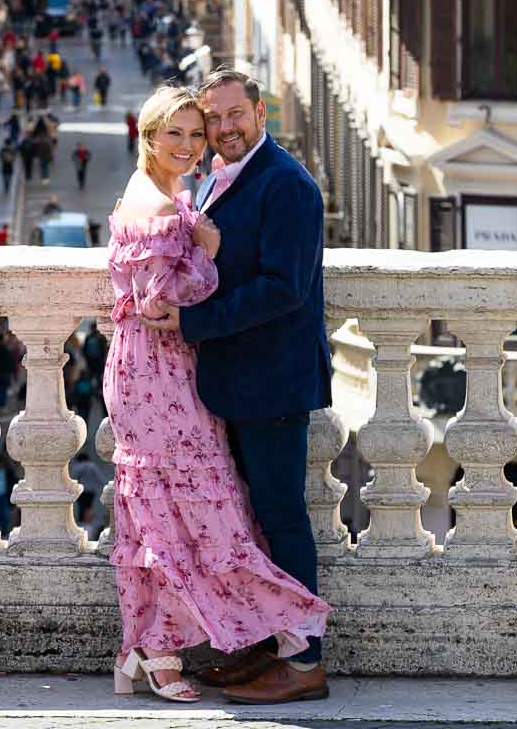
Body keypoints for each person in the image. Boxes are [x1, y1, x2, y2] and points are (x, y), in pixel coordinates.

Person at [104, 85, 330, 705]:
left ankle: (304, 659)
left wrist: (195, 309)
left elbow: (285, 288)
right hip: (210, 379)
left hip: (272, 378)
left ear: (262, 113)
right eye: (209, 121)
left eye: (231, 117)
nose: (217, 131)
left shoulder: (288, 184)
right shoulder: (211, 182)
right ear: (151, 136)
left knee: (277, 515)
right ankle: (258, 644)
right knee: (236, 516)